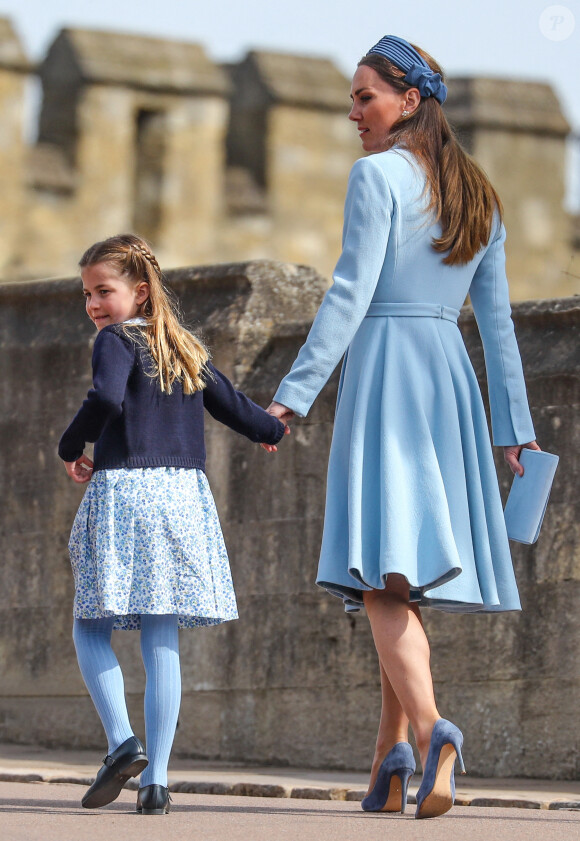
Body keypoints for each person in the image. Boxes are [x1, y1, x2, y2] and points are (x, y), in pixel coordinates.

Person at [266, 35, 539, 819]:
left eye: (365, 98)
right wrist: (511, 432)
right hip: (448, 378)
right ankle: (386, 760)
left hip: (386, 370)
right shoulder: (481, 196)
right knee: (395, 572)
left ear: (409, 100)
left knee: (381, 577)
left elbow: (348, 293)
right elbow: (499, 327)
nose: (354, 113)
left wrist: (291, 396)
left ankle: (431, 733)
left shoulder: (376, 175)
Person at [59, 234, 286, 815]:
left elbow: (107, 398)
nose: (93, 305)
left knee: (90, 621)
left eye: (102, 291)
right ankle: (156, 780)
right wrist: (273, 431)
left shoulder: (114, 340)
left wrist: (69, 441)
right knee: (162, 637)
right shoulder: (183, 345)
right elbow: (232, 402)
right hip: (183, 498)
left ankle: (121, 742)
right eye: (86, 294)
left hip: (127, 491)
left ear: (139, 291)